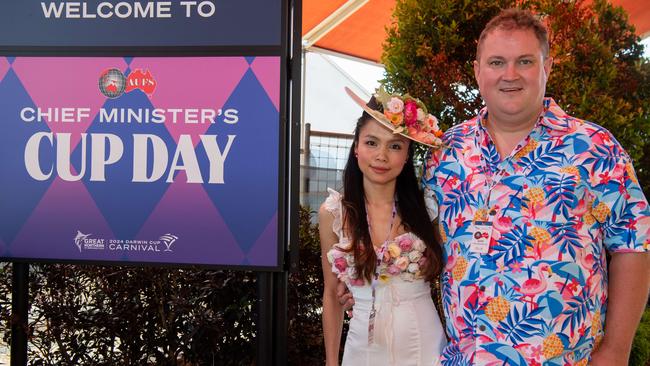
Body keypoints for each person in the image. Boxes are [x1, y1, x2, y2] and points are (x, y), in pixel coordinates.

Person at [340, 8, 650, 366]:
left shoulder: (594, 148)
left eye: (525, 61)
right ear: (478, 70)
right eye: (497, 62)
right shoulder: (447, 152)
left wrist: (615, 351)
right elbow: (414, 240)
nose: (510, 75)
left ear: (547, 67)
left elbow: (633, 245)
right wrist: (369, 286)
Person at [319, 87, 447, 365]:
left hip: (425, 346)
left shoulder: (429, 208)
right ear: (356, 147)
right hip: (362, 350)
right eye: (372, 143)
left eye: (395, 146)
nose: (382, 156)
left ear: (406, 155)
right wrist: (331, 361)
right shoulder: (334, 213)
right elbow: (331, 294)